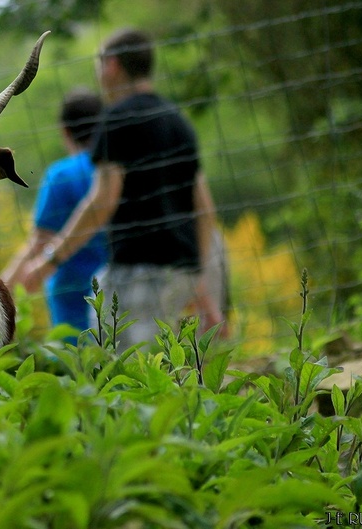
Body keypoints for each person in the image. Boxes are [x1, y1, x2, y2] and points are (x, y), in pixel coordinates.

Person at [19, 28, 225, 349]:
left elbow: (101, 202)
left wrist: (50, 258)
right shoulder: (178, 122)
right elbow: (203, 208)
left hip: (137, 272)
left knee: (123, 373)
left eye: (99, 65)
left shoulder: (116, 119)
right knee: (170, 367)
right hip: (180, 274)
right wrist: (202, 286)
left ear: (111, 65)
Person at [3, 89, 108, 337]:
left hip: (72, 296)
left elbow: (38, 242)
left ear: (65, 132)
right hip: (119, 290)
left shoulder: (61, 175)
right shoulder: (117, 171)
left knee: (75, 366)